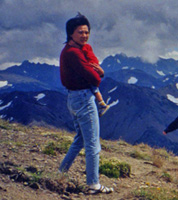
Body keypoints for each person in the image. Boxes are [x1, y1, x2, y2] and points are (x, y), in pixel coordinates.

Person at [58, 13, 114, 194]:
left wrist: (96, 73)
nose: (84, 35)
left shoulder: (69, 50)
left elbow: (90, 73)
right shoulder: (74, 53)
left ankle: (60, 173)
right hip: (83, 98)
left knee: (80, 140)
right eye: (80, 32)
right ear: (71, 33)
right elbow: (94, 78)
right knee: (92, 144)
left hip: (73, 98)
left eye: (86, 32)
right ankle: (93, 184)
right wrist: (101, 73)